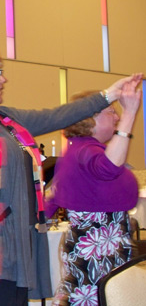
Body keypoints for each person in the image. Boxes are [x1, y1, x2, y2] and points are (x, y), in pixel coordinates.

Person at [0, 40, 141, 305]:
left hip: (10, 255)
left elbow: (57, 116)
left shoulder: (5, 120)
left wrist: (108, 95)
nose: (4, 79)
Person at [46, 79, 142, 305]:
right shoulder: (85, 150)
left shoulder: (80, 150)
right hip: (98, 251)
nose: (117, 116)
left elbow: (54, 196)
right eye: (111, 111)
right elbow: (109, 167)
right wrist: (130, 114)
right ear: (91, 119)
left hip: (99, 248)